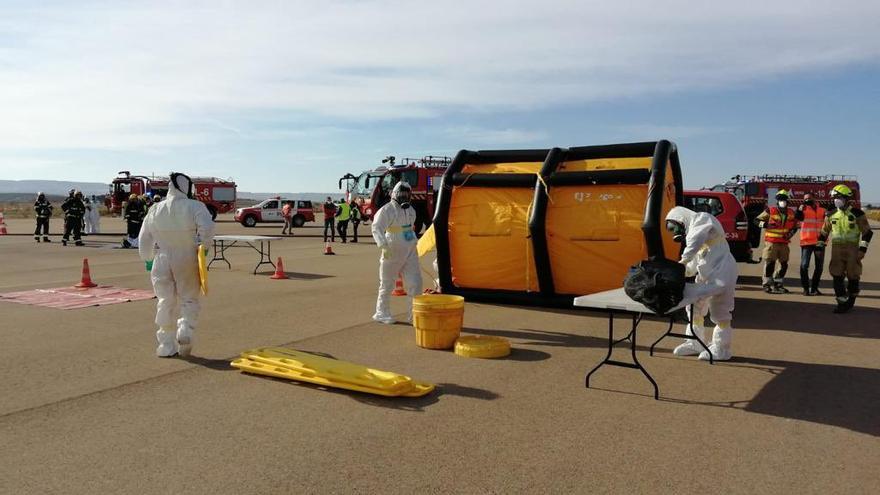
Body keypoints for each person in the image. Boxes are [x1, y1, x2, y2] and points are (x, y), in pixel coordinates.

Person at [138, 172, 215, 357]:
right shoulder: (195, 206)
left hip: (161, 258)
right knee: (189, 298)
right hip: (187, 256)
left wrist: (147, 259)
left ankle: (165, 345)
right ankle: (185, 329)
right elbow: (208, 227)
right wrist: (203, 248)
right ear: (186, 187)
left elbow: (144, 238)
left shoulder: (155, 209)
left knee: (165, 300)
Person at [665, 206, 738, 361]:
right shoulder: (703, 242)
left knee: (720, 312)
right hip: (706, 277)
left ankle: (721, 349)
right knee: (693, 307)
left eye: (675, 227)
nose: (676, 232)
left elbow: (693, 242)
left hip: (722, 274)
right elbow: (693, 264)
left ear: (681, 219)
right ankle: (694, 342)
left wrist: (683, 260)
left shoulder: (702, 219)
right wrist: (680, 271)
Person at [371, 182, 422, 324]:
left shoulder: (411, 210)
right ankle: (381, 313)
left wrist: (413, 241)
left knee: (415, 283)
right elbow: (376, 227)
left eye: (407, 194)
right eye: (402, 194)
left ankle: (414, 315)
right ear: (394, 194)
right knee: (387, 283)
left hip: (410, 249)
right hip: (392, 248)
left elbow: (410, 227)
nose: (404, 197)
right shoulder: (387, 210)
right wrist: (383, 245)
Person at [819, 184, 872, 313]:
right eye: (834, 197)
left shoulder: (857, 214)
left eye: (839, 197)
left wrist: (862, 249)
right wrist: (819, 245)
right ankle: (841, 302)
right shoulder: (831, 214)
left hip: (853, 250)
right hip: (836, 250)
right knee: (836, 275)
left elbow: (867, 232)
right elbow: (824, 232)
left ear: (846, 198)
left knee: (853, 276)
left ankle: (851, 299)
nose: (836, 200)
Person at [755, 190, 801, 294]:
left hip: (784, 243)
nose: (782, 201)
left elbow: (795, 226)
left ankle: (778, 284)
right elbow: (756, 220)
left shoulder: (791, 212)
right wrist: (766, 225)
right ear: (777, 200)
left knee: (784, 265)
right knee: (770, 263)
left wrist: (790, 234)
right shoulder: (770, 210)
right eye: (780, 199)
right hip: (772, 242)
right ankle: (766, 284)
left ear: (787, 201)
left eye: (784, 199)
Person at [797, 192, 825, 296]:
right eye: (805, 199)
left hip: (820, 242)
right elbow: (798, 218)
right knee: (804, 266)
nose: (807, 200)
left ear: (814, 198)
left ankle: (814, 288)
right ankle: (805, 289)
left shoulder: (822, 210)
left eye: (808, 198)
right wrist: (800, 209)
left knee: (819, 267)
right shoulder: (803, 209)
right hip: (806, 242)